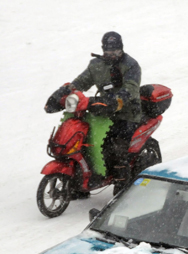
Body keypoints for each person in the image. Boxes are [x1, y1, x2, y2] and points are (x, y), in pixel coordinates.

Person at [45, 31, 142, 191]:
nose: (111, 55)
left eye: (115, 51)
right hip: (102, 110)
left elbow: (130, 89)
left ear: (121, 49)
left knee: (116, 147)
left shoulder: (131, 65)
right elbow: (81, 81)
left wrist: (116, 100)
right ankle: (81, 181)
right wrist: (64, 92)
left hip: (127, 113)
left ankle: (122, 186)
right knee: (83, 141)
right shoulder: (96, 65)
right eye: (107, 51)